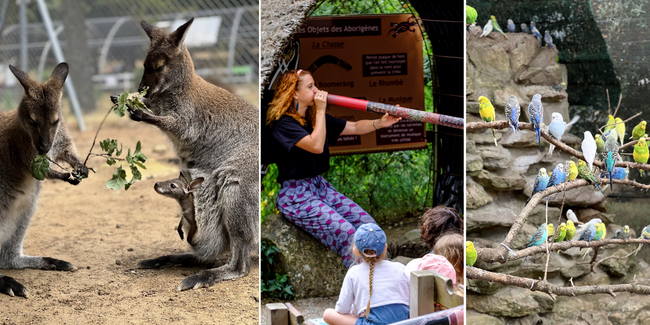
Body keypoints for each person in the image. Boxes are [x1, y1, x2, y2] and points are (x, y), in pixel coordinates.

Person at [266, 69, 401, 268]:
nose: (317, 90)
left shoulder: (314, 118)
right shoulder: (283, 124)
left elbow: (353, 128)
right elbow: (316, 145)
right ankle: (361, 288)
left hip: (319, 186)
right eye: (310, 86)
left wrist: (379, 123)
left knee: (369, 227)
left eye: (315, 85)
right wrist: (320, 111)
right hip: (296, 195)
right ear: (294, 93)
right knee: (348, 234)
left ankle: (379, 281)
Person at [323, 224, 410, 325]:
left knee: (328, 314)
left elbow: (342, 309)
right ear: (385, 248)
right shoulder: (400, 267)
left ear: (355, 251)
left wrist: (356, 310)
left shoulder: (353, 272)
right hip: (404, 322)